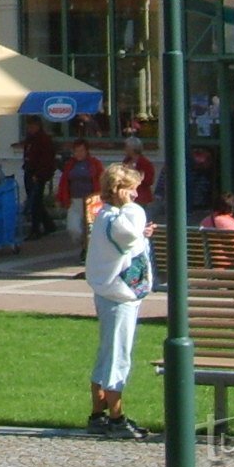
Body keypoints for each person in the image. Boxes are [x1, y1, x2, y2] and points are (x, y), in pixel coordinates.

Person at [84, 163, 151, 439]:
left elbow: (129, 240)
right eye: (132, 190)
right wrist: (133, 210)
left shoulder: (106, 215)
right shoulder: (123, 216)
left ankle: (98, 414)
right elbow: (129, 233)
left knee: (106, 354)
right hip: (119, 295)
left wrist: (142, 234)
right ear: (119, 190)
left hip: (108, 291)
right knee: (117, 357)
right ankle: (116, 418)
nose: (136, 195)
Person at [56, 138, 101, 257]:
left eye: (81, 150)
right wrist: (60, 199)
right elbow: (64, 182)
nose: (79, 153)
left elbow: (101, 180)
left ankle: (87, 250)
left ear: (87, 151)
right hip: (74, 201)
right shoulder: (70, 164)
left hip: (91, 202)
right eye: (76, 151)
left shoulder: (94, 164)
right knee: (73, 228)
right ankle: (84, 244)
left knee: (90, 229)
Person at [20, 117, 59, 238]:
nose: (30, 129)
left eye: (32, 126)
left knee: (35, 203)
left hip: (38, 174)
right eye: (28, 126)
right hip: (29, 171)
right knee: (35, 201)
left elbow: (46, 160)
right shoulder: (30, 139)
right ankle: (48, 224)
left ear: (37, 126)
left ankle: (35, 229)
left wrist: (39, 174)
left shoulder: (44, 140)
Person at [118, 136, 158, 209]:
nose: (125, 149)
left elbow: (149, 181)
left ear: (133, 148)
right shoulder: (126, 161)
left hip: (141, 196)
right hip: (127, 196)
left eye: (126, 147)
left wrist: (136, 176)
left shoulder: (145, 163)